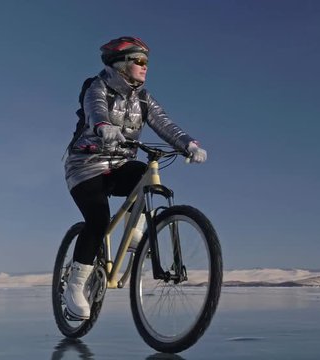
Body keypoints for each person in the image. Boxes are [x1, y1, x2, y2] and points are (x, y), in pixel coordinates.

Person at [62, 36, 207, 320]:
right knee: (98, 220)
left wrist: (188, 144)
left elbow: (164, 123)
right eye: (139, 61)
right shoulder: (98, 86)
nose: (145, 67)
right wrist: (103, 126)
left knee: (145, 175)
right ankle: (75, 287)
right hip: (85, 165)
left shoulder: (143, 98)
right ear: (121, 64)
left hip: (119, 163)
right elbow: (95, 110)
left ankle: (136, 232)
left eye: (146, 62)